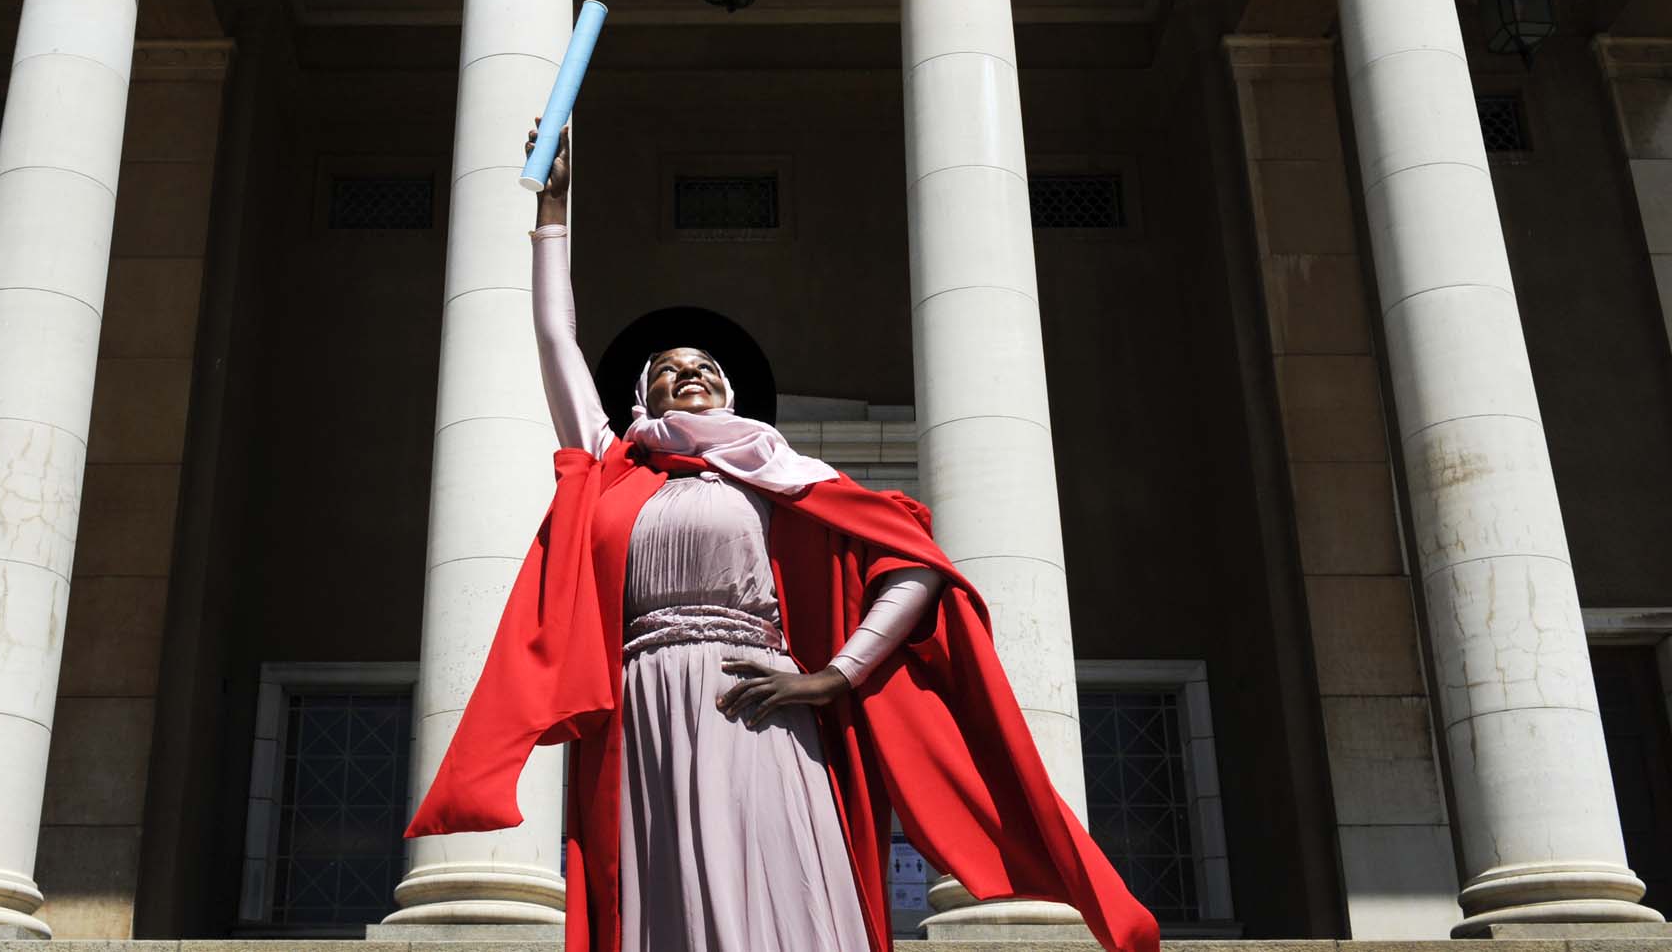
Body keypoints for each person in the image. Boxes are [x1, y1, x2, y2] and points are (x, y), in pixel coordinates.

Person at [407, 126, 1159, 952]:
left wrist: (835, 675)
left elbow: (914, 568)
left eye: (704, 368)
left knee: (777, 894)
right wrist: (552, 207)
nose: (688, 374)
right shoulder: (612, 462)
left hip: (759, 707)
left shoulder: (779, 476)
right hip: (646, 707)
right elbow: (555, 338)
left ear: (727, 388)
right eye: (668, 369)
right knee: (662, 903)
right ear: (640, 395)